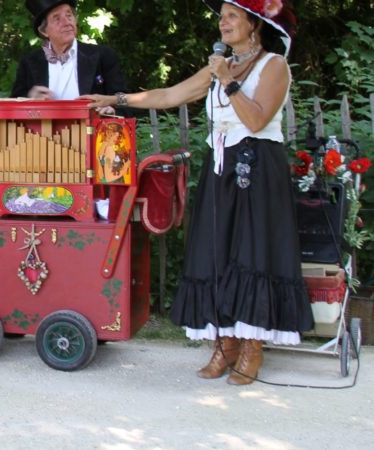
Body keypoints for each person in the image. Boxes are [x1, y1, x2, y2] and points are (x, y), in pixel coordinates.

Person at [81, 0, 312, 385]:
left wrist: (227, 80)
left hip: (258, 169)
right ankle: (226, 342)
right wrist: (115, 100)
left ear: (254, 25)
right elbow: (169, 95)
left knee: (252, 251)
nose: (222, 23)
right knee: (217, 250)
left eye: (231, 16)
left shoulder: (274, 65)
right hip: (221, 168)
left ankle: (253, 347)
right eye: (221, 17)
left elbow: (256, 119)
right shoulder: (219, 67)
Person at [11, 0, 128, 113]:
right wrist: (29, 100)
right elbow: (12, 107)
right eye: (57, 19)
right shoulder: (29, 62)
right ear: (44, 31)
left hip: (92, 131)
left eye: (69, 15)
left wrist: (113, 110)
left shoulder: (103, 55)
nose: (67, 22)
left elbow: (125, 99)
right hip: (42, 132)